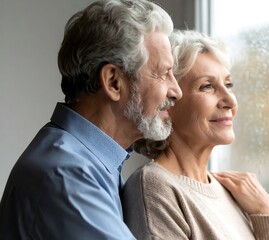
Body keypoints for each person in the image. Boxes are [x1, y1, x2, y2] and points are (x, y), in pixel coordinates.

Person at [0, 0, 182, 239]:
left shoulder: (87, 162)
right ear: (113, 82)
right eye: (163, 74)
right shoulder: (65, 174)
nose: (176, 91)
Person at [122, 30, 269, 240]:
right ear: (168, 102)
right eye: (207, 86)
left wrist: (266, 213)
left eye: (228, 85)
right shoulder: (155, 188)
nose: (230, 101)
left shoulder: (230, 192)